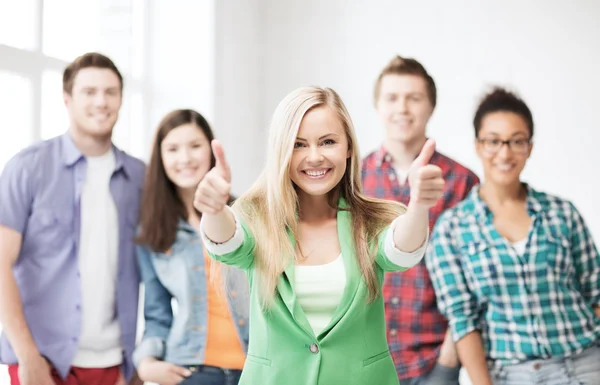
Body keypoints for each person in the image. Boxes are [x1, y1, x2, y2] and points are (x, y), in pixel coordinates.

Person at [193, 86, 445, 385]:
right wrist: (214, 210)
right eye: (298, 145)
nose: (314, 157)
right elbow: (227, 243)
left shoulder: (369, 222)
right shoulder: (258, 217)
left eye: (327, 142)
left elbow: (402, 250)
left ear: (348, 147)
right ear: (281, 151)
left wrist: (418, 205)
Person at [425, 87, 600, 385]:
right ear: (478, 145)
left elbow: (595, 291)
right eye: (493, 141)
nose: (505, 153)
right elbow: (464, 323)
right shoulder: (451, 229)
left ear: (529, 147)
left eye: (517, 141)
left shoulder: (562, 213)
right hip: (510, 375)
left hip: (584, 364)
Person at [0, 52, 146, 385]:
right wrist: (27, 357)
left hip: (115, 365)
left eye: (111, 92)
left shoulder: (140, 177)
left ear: (121, 99)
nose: (101, 101)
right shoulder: (28, 167)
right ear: (67, 99)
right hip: (43, 360)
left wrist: (137, 360)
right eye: (89, 91)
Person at [361, 55, 480, 384]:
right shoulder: (352, 179)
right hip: (363, 363)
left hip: (432, 365)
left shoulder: (461, 182)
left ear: (430, 107)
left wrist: (448, 360)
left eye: (414, 98)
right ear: (377, 106)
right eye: (392, 98)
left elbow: (474, 280)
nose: (402, 108)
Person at [133, 109, 249, 385]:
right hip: (190, 372)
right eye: (172, 149)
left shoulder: (246, 215)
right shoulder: (154, 233)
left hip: (255, 368)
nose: (184, 158)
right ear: (160, 158)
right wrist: (146, 362)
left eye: (195, 146)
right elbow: (157, 314)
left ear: (211, 150)